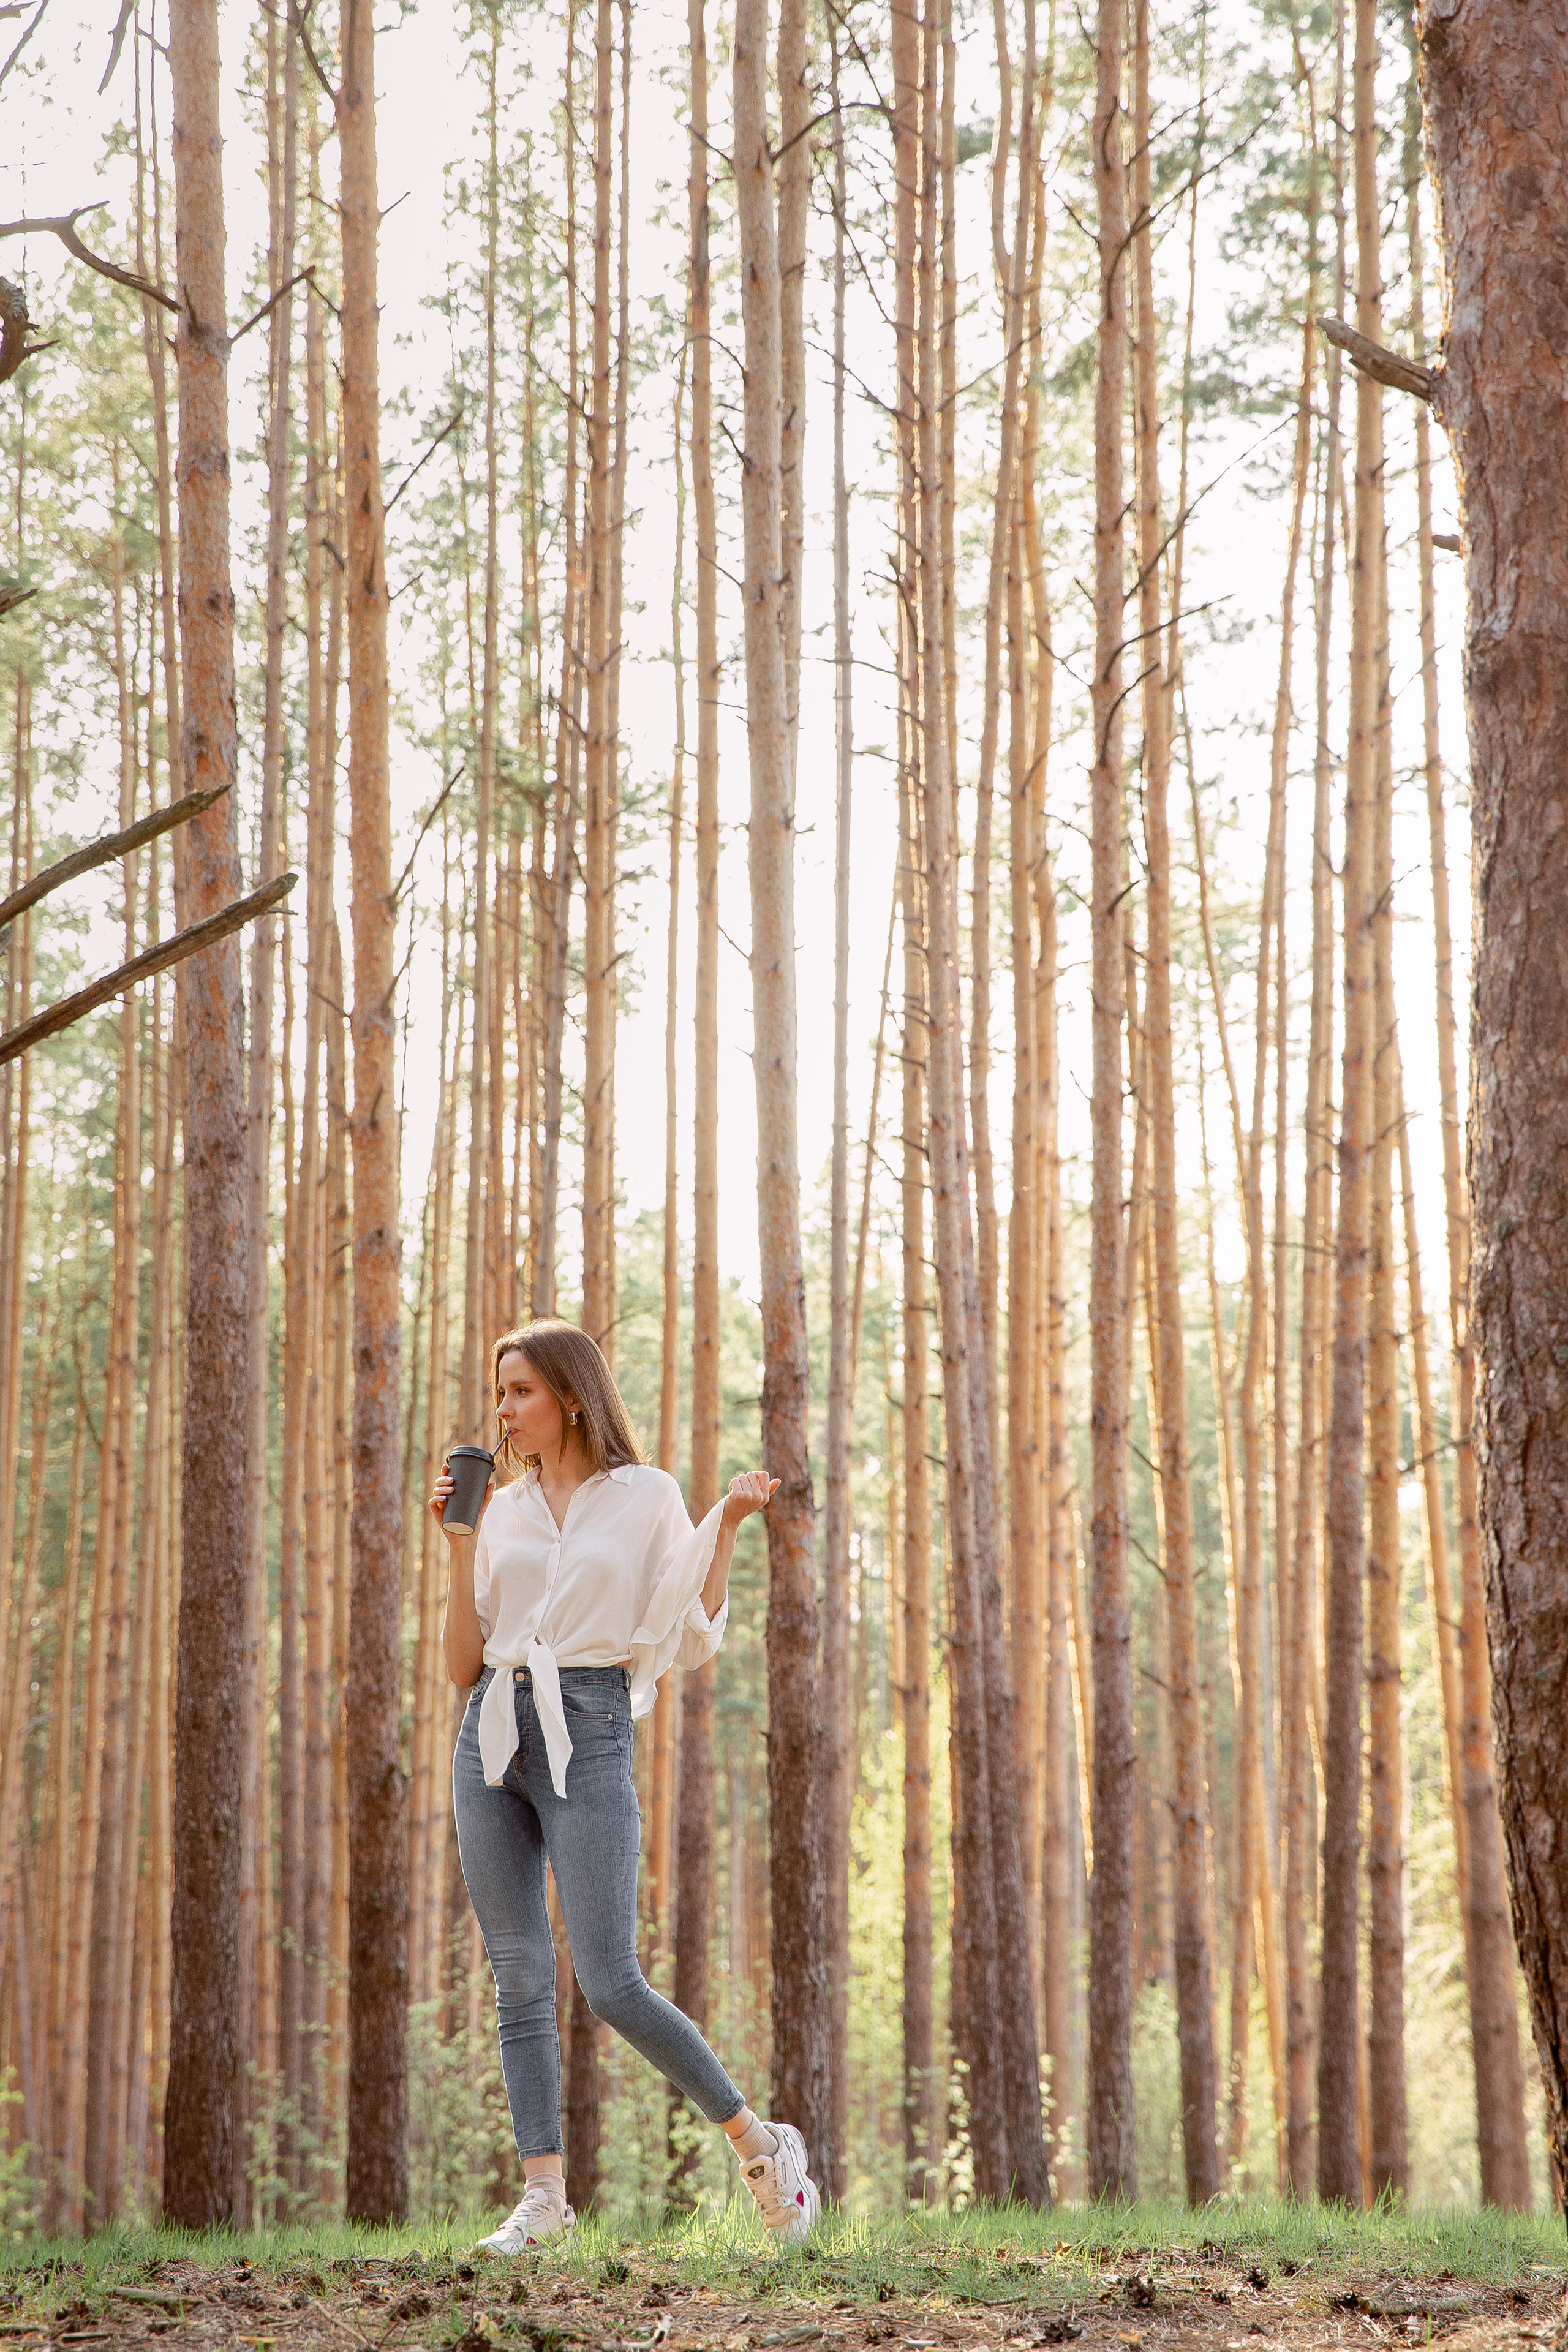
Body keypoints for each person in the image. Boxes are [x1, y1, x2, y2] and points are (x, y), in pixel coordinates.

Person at [431, 1317, 821, 2254]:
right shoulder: (506, 1512)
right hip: (490, 1732)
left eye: (521, 1390)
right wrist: (455, 1542)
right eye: (501, 1391)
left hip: (591, 1728)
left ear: (571, 1395)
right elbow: (460, 1665)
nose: (505, 1409)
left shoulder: (645, 1495)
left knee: (610, 1983)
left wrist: (724, 1522)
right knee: (519, 1977)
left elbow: (687, 1617)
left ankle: (763, 2151)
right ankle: (544, 2202)